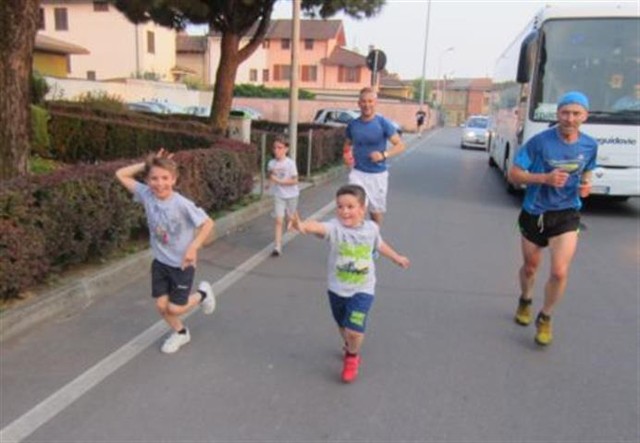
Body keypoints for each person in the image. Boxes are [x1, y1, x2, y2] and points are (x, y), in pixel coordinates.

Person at [290, 184, 410, 383]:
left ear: (362, 209)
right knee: (344, 327)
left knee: (354, 331)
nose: (344, 211)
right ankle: (349, 344)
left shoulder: (371, 229)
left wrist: (396, 257)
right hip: (337, 289)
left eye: (350, 207)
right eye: (340, 206)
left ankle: (352, 357)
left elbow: (379, 244)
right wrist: (302, 225)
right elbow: (318, 227)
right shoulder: (335, 228)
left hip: (362, 289)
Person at [508, 91, 598, 346]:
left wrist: (587, 184)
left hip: (567, 213)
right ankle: (525, 299)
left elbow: (588, 169)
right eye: (565, 113)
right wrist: (544, 179)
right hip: (535, 212)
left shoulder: (590, 145)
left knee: (559, 272)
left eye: (576, 113)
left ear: (585, 116)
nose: (570, 118)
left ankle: (545, 317)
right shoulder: (539, 142)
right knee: (530, 267)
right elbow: (514, 174)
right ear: (557, 114)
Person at [115, 149, 216, 354]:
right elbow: (120, 174)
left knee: (175, 308)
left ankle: (203, 294)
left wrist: (193, 247)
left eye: (165, 178)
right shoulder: (146, 194)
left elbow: (208, 223)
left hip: (182, 264)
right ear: (147, 179)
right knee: (162, 307)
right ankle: (181, 333)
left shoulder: (182, 204)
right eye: (154, 178)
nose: (159, 183)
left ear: (174, 180)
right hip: (161, 263)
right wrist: (147, 164)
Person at [343, 87, 405, 226]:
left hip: (377, 175)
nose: (367, 105)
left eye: (370, 101)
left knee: (375, 213)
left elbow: (400, 145)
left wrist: (383, 155)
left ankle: (374, 237)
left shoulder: (383, 123)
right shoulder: (353, 125)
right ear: (359, 103)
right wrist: (346, 155)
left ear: (375, 103)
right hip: (358, 173)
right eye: (364, 101)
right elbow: (347, 145)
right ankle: (357, 236)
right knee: (356, 209)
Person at [267, 136, 300, 256]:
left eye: (280, 148)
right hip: (279, 195)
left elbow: (295, 180)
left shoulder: (290, 164)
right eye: (275, 148)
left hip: (292, 195)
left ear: (286, 149)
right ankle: (277, 247)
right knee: (278, 220)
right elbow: (271, 175)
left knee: (290, 219)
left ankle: (292, 219)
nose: (276, 150)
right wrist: (269, 184)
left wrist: (280, 181)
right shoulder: (271, 163)